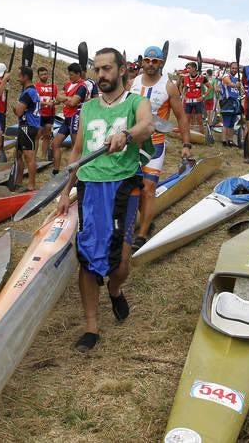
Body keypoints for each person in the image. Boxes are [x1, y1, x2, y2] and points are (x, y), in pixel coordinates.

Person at [56, 47, 154, 352]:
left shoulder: (138, 102)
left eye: (107, 69)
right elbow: (77, 153)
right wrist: (65, 190)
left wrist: (127, 134)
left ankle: (114, 289)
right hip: (89, 187)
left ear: (122, 70)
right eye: (97, 69)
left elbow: (147, 126)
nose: (101, 75)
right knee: (86, 256)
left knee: (120, 262)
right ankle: (91, 327)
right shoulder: (87, 109)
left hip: (123, 186)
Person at [129, 46, 191, 250]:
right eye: (147, 60)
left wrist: (186, 144)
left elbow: (181, 117)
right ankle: (144, 219)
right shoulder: (133, 82)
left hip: (154, 145)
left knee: (148, 189)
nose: (150, 64)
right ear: (142, 61)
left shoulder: (169, 87)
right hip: (133, 145)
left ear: (161, 63)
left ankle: (143, 233)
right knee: (133, 187)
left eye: (155, 61)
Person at [52, 63, 88, 174]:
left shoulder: (82, 86)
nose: (69, 77)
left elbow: (73, 103)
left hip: (75, 117)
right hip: (66, 118)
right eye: (69, 74)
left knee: (75, 148)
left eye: (72, 75)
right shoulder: (67, 84)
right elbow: (58, 97)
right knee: (55, 144)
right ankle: (56, 172)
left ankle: (74, 174)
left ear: (78, 74)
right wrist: (66, 98)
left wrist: (64, 98)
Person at [12, 67, 41, 190]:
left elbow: (19, 112)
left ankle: (31, 185)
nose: (18, 79)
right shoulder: (33, 91)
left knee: (29, 156)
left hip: (27, 126)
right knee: (17, 154)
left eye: (20, 76)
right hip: (29, 125)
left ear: (25, 77)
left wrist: (15, 107)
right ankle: (18, 182)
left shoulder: (27, 93)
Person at [35, 66, 58, 160]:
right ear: (38, 76)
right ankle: (33, 157)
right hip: (39, 114)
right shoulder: (36, 87)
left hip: (50, 114)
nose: (44, 76)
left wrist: (55, 102)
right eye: (42, 74)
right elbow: (35, 101)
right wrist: (47, 103)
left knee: (47, 136)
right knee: (37, 135)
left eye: (45, 74)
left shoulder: (54, 87)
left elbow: (56, 100)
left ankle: (43, 157)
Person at [181, 62, 209, 135]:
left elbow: (210, 87)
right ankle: (186, 134)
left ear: (194, 68)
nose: (187, 70)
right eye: (187, 68)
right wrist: (183, 96)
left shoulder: (202, 77)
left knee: (199, 119)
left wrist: (203, 96)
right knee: (187, 119)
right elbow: (181, 87)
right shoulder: (185, 77)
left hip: (198, 101)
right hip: (188, 102)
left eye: (189, 68)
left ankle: (202, 135)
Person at [220, 62, 243, 146]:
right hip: (227, 101)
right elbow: (229, 83)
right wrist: (236, 85)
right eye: (233, 68)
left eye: (236, 68)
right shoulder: (226, 76)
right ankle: (224, 141)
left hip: (235, 101)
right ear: (230, 68)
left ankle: (230, 140)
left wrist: (241, 88)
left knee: (232, 123)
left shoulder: (237, 78)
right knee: (226, 122)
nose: (234, 70)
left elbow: (241, 89)